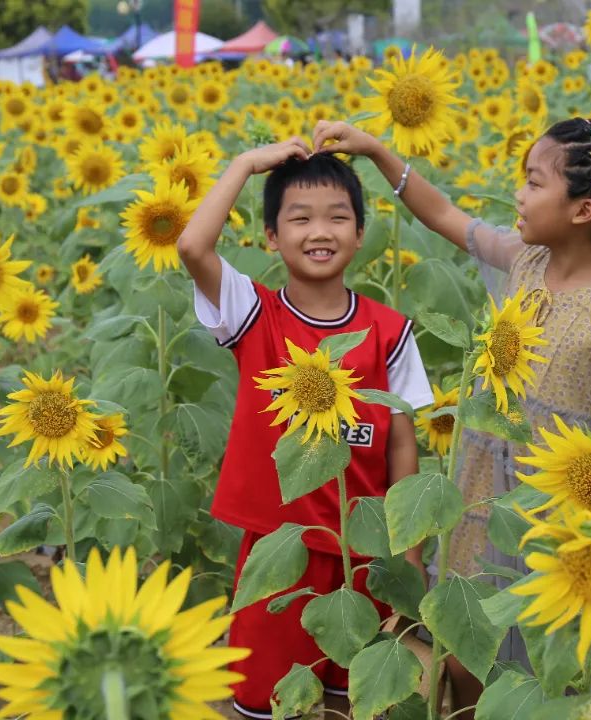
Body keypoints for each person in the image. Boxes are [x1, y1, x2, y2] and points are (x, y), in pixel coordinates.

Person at [312, 116, 591, 714]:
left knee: (543, 669)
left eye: (534, 182)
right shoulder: (526, 261)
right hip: (480, 496)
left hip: (557, 525)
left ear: (582, 211)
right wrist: (377, 151)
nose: (518, 193)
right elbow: (444, 216)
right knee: (466, 647)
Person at [177, 142, 434, 719]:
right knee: (269, 702)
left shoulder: (388, 331)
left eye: (338, 216)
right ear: (271, 236)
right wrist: (244, 164)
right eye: (300, 218)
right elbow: (193, 245)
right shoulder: (254, 315)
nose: (320, 231)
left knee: (357, 700)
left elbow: (400, 440)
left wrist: (411, 553)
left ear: (361, 232)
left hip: (364, 553)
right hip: (279, 550)